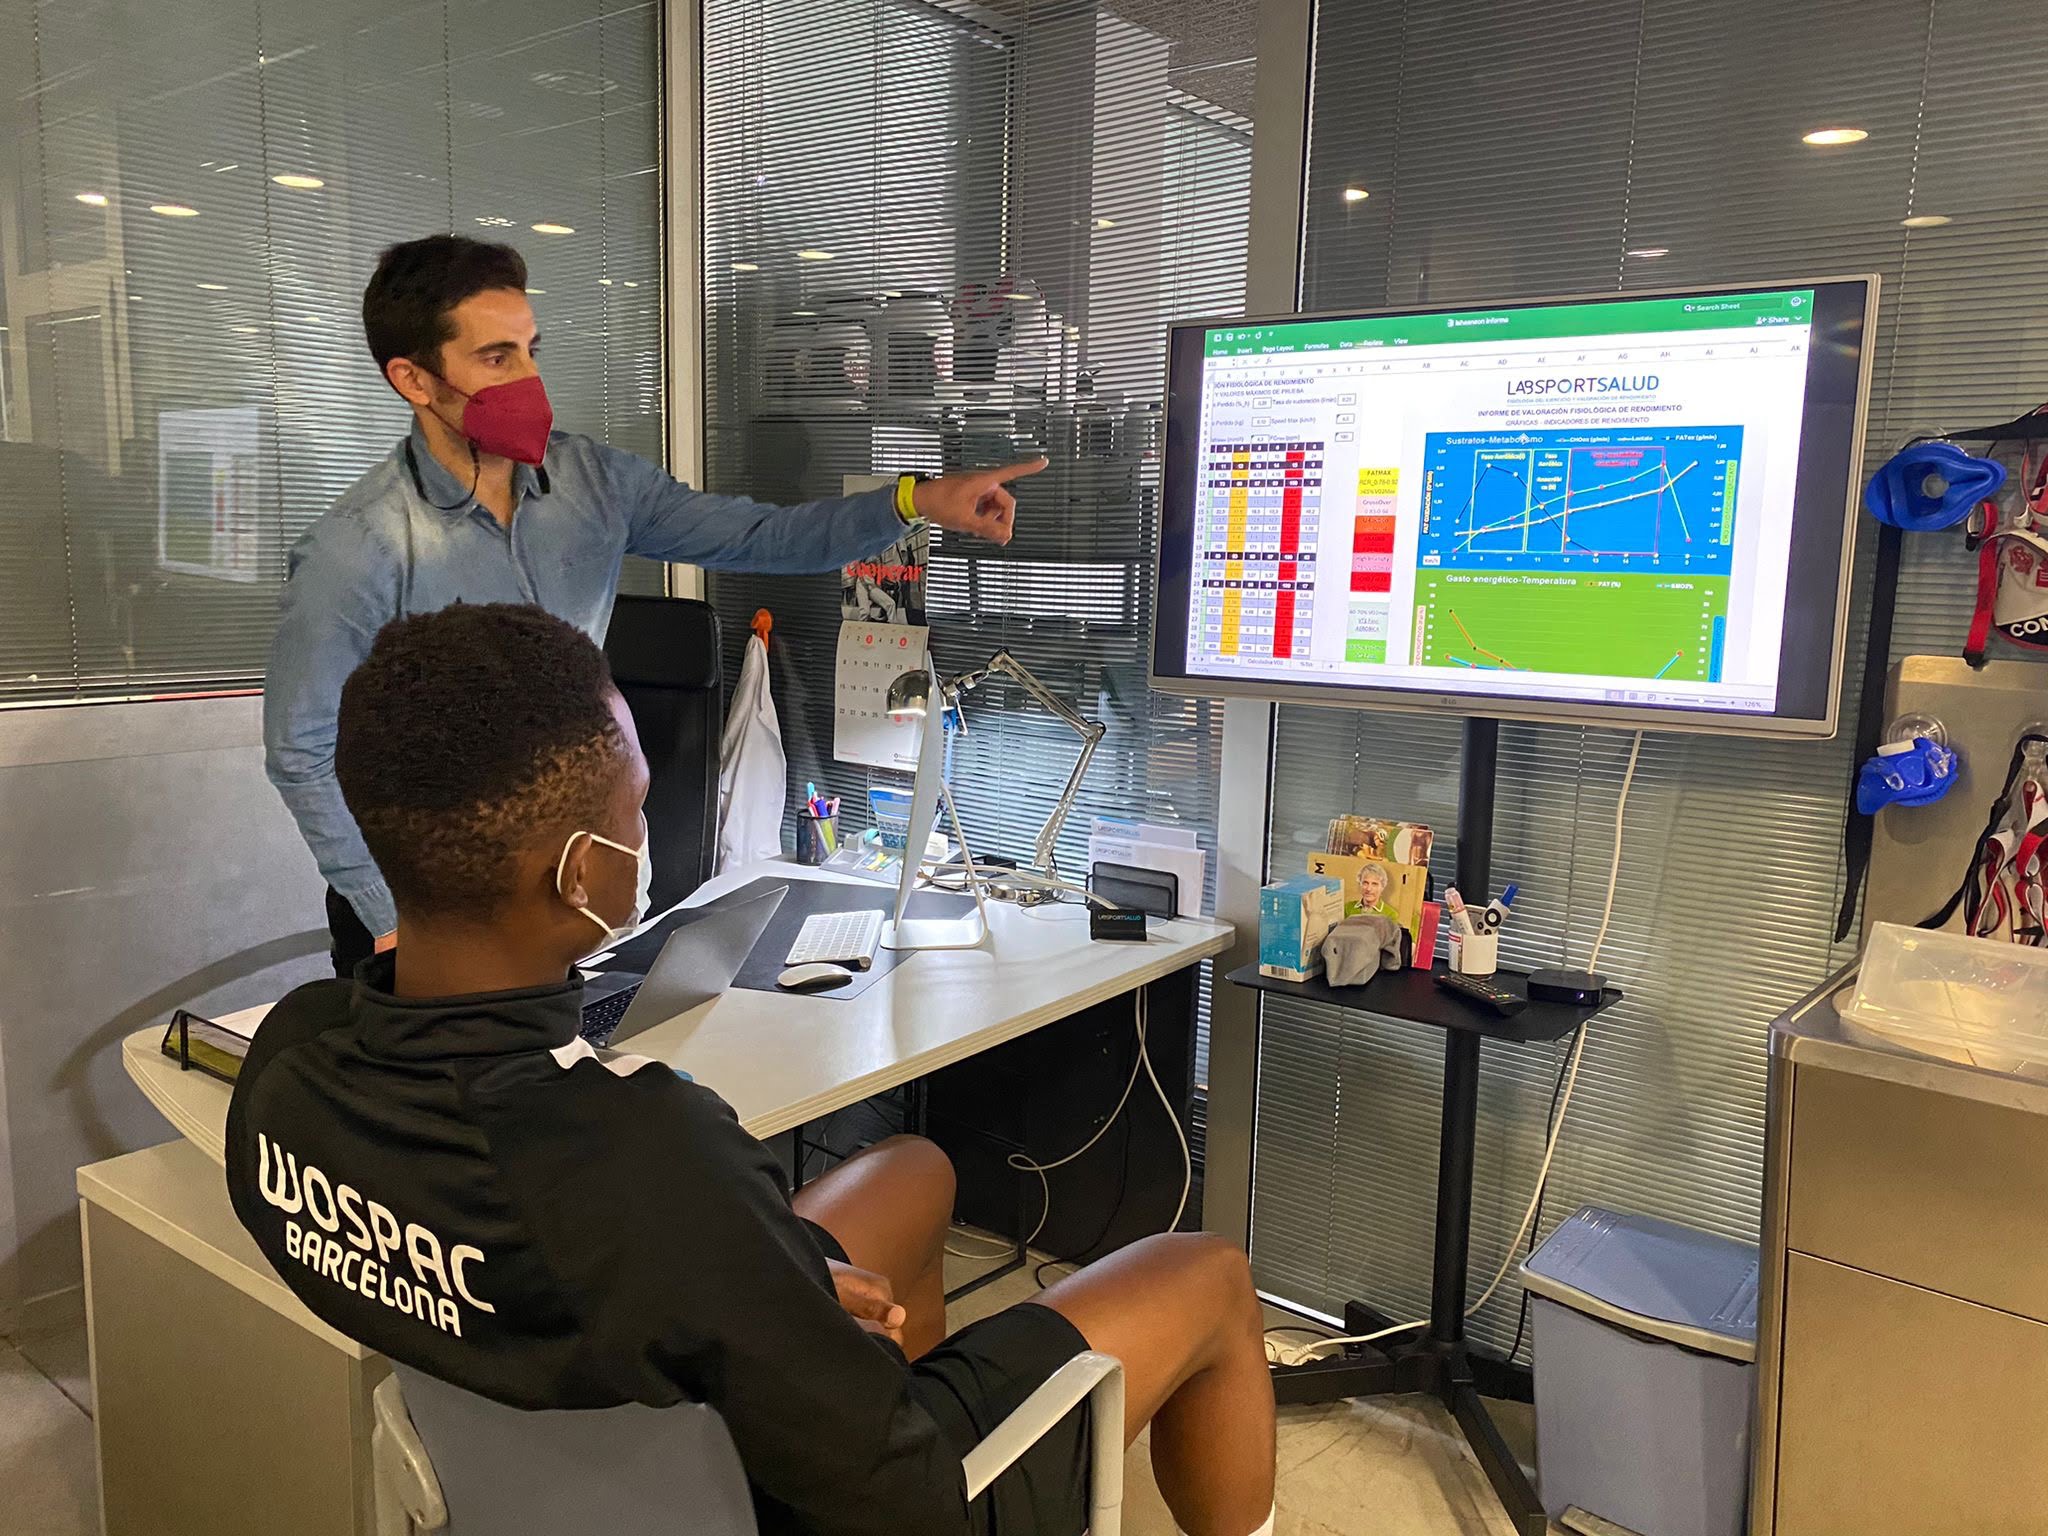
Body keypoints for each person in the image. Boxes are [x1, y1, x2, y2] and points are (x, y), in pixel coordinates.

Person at [225, 602, 1278, 1536]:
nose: (647, 829)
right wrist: (784, 1312)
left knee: (913, 1173)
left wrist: (775, 1283)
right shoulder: (647, 1151)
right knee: (1210, 1276)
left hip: (576, 1432)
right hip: (854, 1500)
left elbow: (546, 1255)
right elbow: (901, 1500)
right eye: (638, 804)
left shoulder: (289, 1067)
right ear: (581, 871)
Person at [265, 234, 1044, 976]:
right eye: (496, 357)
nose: (528, 380)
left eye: (531, 350)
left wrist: (915, 500)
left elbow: (762, 537)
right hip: (432, 900)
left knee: (599, 1053)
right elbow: (301, 750)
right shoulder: (356, 549)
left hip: (576, 868)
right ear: (414, 380)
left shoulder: (592, 484)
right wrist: (389, 917)